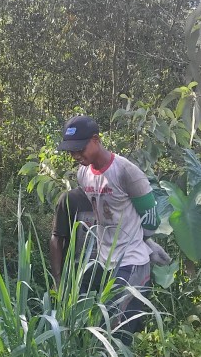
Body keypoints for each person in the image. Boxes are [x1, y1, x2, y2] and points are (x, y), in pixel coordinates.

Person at [56, 115, 169, 339]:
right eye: (71, 151)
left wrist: (142, 240)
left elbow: (150, 218)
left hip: (131, 261)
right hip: (104, 261)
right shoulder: (84, 174)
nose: (76, 155)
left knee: (118, 331)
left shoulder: (126, 172)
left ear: (96, 140)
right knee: (101, 327)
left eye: (80, 148)